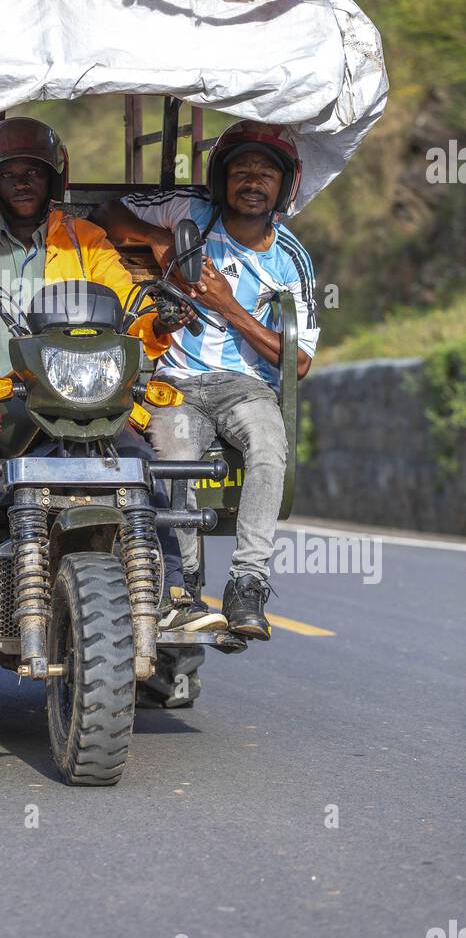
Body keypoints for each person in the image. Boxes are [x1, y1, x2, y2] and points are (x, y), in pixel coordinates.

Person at [0, 116, 187, 622]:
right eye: (9, 172)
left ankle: (170, 594)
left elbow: (131, 306)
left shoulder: (87, 240)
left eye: (33, 171)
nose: (22, 181)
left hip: (82, 392)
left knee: (135, 461)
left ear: (53, 178)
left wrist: (159, 319)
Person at [91, 119, 319, 640]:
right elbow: (105, 212)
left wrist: (228, 308)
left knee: (268, 445)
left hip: (245, 386)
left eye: (266, 173)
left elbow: (299, 362)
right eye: (241, 171)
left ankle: (247, 584)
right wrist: (159, 241)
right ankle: (184, 585)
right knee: (173, 455)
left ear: (285, 187)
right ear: (220, 179)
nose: (253, 182)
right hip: (177, 381)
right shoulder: (187, 210)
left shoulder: (292, 259)